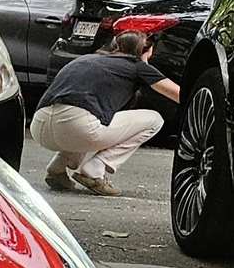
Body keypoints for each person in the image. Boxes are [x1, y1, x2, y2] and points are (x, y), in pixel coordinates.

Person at [29, 29, 179, 193]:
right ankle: (95, 170)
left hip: (39, 127)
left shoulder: (87, 59)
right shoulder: (137, 66)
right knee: (154, 119)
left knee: (92, 114)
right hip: (77, 126)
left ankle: (57, 168)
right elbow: (178, 95)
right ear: (145, 52)